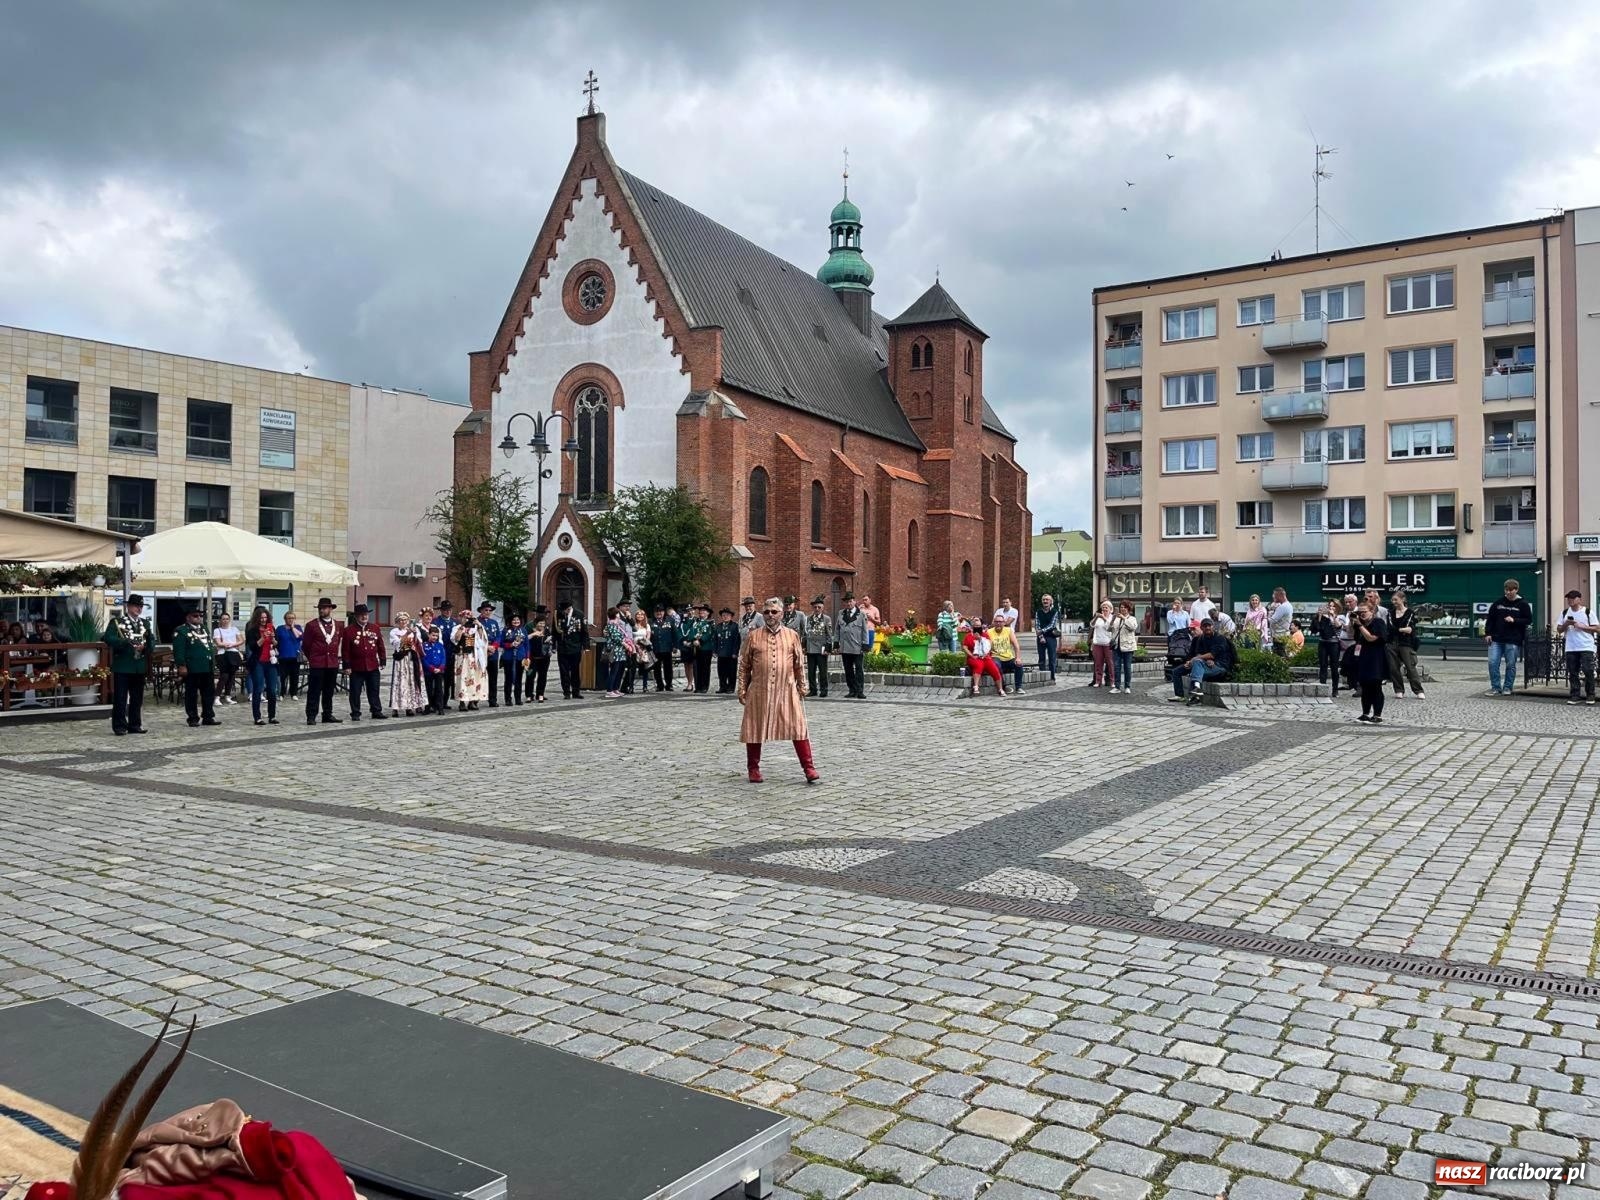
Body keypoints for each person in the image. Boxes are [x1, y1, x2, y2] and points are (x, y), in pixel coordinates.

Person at [737, 597, 820, 783]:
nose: (770, 615)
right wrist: (742, 688)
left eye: (774, 612)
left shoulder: (792, 635)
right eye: (766, 612)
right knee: (754, 727)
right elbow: (744, 665)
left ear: (781, 613)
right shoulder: (753, 635)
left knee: (798, 727)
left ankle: (809, 768)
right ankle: (753, 768)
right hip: (760, 690)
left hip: (786, 689)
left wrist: (802, 685)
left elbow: (799, 664)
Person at [103, 594, 152, 736]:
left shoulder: (145, 623)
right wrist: (124, 642)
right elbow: (108, 638)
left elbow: (151, 639)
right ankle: (119, 726)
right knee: (120, 698)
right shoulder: (117, 622)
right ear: (128, 606)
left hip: (138, 666)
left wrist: (147, 647)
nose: (139, 609)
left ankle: (135, 724)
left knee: (137, 698)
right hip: (123, 665)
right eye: (136, 606)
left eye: (141, 606)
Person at [171, 605, 219, 728]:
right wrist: (181, 665)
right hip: (192, 667)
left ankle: (208, 716)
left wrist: (212, 663)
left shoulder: (203, 629)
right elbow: (179, 650)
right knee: (191, 694)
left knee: (208, 693)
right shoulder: (181, 631)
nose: (199, 618)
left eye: (200, 615)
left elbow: (209, 646)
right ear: (188, 617)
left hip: (206, 667)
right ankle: (192, 717)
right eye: (195, 615)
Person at [1171, 616, 1235, 704]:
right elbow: (1198, 654)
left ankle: (1196, 692)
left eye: (1209, 625)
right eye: (1205, 626)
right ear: (1202, 628)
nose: (1207, 628)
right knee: (1177, 671)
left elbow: (1212, 655)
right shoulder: (1200, 639)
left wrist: (1196, 659)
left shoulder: (1220, 638)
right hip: (1203, 664)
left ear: (1213, 626)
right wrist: (1190, 662)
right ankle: (1182, 695)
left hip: (1219, 666)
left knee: (1197, 665)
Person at [1484, 578, 1532, 695]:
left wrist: (1514, 620)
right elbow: (1490, 619)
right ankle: (1496, 687)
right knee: (1493, 663)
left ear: (1516, 590)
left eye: (1511, 590)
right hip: (1496, 638)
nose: (1508, 592)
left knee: (1510, 664)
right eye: (1506, 590)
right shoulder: (1498, 603)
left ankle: (1507, 687)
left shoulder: (1523, 604)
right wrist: (1488, 633)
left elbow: (1528, 620)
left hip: (1513, 639)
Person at [341, 603, 388, 720]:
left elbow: (380, 645)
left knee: (374, 689)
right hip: (356, 666)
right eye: (361, 615)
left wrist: (382, 660)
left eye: (366, 614)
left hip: (372, 665)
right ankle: (355, 713)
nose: (364, 617)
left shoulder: (375, 628)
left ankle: (376, 710)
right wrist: (346, 665)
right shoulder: (349, 630)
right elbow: (345, 650)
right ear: (356, 616)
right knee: (355, 691)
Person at [302, 597, 344, 724]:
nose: (322, 610)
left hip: (332, 662)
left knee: (329, 690)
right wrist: (313, 657)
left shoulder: (338, 625)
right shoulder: (311, 625)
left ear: (330, 609)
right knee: (314, 690)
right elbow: (306, 645)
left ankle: (327, 714)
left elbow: (338, 642)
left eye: (325, 608)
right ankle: (311, 715)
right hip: (317, 663)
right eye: (320, 608)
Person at [1352, 601, 1390, 723]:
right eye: (1360, 612)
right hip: (1363, 657)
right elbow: (1354, 637)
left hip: (1376, 658)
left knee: (1375, 686)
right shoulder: (1360, 623)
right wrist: (1352, 621)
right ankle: (1365, 713)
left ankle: (1377, 715)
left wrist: (1360, 626)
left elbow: (1371, 638)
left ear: (1372, 611)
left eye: (1364, 612)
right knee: (1365, 686)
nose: (1362, 614)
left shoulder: (1378, 622)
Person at [1560, 588, 1598, 705]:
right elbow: (1559, 629)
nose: (1570, 600)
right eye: (1568, 598)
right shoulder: (1565, 613)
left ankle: (1590, 694)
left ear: (1579, 599)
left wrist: (1582, 627)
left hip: (1586, 645)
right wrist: (1567, 623)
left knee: (1588, 670)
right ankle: (1575, 695)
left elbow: (1597, 628)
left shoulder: (1588, 612)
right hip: (1571, 646)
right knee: (1573, 671)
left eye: (1572, 598)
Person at [244, 606, 280, 726]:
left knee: (272, 690)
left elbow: (276, 644)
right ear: (257, 618)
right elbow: (253, 647)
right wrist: (263, 637)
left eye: (265, 617)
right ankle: (257, 717)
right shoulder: (252, 630)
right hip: (258, 661)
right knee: (258, 689)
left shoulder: (271, 627)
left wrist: (273, 639)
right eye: (261, 618)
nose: (264, 620)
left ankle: (272, 716)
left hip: (270, 661)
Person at [1387, 592, 1425, 699]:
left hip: (1406, 643)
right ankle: (1399, 690)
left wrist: (1404, 630)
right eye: (1392, 600)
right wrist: (1402, 629)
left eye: (1396, 600)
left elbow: (1410, 627)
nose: (1394, 602)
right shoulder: (1390, 613)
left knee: (1410, 667)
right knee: (1394, 668)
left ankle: (1418, 690)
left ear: (1402, 599)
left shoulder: (1410, 613)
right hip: (1391, 642)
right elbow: (1390, 628)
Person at [389, 611, 428, 715]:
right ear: (397, 622)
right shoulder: (394, 631)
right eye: (401, 620)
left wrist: (415, 634)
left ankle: (410, 706)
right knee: (400, 681)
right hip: (401, 658)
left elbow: (418, 643)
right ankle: (396, 707)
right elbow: (397, 643)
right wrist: (407, 633)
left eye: (405, 620)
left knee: (411, 681)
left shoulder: (413, 630)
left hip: (411, 658)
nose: (403, 622)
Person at [452, 609, 490, 710]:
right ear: (461, 618)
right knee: (463, 678)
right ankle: (462, 701)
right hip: (463, 656)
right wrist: (462, 627)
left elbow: (483, 639)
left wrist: (479, 625)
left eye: (469, 617)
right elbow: (455, 639)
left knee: (475, 678)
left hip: (475, 656)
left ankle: (473, 700)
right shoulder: (457, 627)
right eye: (465, 617)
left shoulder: (476, 627)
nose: (467, 619)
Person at [836, 593, 870, 699]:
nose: (848, 604)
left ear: (855, 602)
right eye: (846, 602)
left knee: (859, 669)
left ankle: (860, 690)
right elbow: (837, 629)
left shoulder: (861, 614)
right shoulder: (841, 613)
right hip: (845, 647)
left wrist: (865, 644)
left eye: (850, 601)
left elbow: (865, 630)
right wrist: (836, 642)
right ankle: (852, 689)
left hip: (857, 646)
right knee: (848, 669)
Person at [962, 620, 1006, 698]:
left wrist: (980, 639)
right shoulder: (968, 636)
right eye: (976, 626)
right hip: (974, 657)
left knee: (994, 668)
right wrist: (971, 655)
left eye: (979, 626)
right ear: (972, 627)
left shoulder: (985, 635)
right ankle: (976, 687)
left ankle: (1000, 689)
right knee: (979, 665)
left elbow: (989, 646)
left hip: (985, 657)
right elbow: (965, 647)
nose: (977, 627)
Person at [554, 601, 588, 699]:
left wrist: (586, 646)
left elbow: (584, 631)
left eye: (566, 610)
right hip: (562, 647)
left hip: (575, 647)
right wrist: (554, 645)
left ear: (569, 608)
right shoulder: (559, 614)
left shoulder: (579, 614)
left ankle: (576, 691)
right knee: (563, 671)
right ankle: (566, 692)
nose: (565, 612)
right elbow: (555, 630)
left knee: (575, 670)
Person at [802, 597, 833, 699]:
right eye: (815, 607)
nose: (817, 609)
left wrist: (828, 648)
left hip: (821, 648)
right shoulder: (808, 619)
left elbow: (829, 634)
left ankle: (824, 689)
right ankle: (813, 689)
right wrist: (804, 646)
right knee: (811, 671)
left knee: (822, 670)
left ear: (822, 608)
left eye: (819, 607)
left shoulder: (826, 619)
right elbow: (805, 634)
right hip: (811, 648)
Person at [211, 611, 244, 704]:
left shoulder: (234, 629)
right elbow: (217, 642)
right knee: (224, 675)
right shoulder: (217, 630)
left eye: (227, 619)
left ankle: (227, 695)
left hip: (233, 653)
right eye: (223, 619)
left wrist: (233, 644)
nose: (225, 621)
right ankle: (217, 696)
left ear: (229, 620)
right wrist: (225, 645)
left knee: (232, 675)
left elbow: (241, 640)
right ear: (220, 620)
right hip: (223, 654)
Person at [1313, 599, 1344, 698]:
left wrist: (1333, 616)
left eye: (1333, 606)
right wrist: (1320, 616)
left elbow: (1338, 626)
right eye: (1329, 606)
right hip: (1323, 642)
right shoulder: (1323, 617)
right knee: (1323, 665)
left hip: (1334, 643)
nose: (1331, 608)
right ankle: (1322, 687)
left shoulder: (1340, 617)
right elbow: (1316, 629)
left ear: (1337, 607)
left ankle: (1335, 690)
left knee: (1334, 667)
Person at [601, 606, 632, 697]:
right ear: (615, 614)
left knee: (619, 671)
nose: (619, 615)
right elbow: (616, 637)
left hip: (620, 651)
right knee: (614, 671)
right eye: (618, 613)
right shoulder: (611, 624)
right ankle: (609, 690)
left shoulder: (617, 624)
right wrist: (625, 644)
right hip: (615, 651)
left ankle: (615, 688)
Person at [432, 601, 459, 705]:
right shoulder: (436, 622)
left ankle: (445, 701)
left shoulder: (455, 622)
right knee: (438, 679)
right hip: (440, 654)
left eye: (449, 610)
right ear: (441, 610)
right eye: (445, 610)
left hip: (451, 654)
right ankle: (435, 701)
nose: (448, 612)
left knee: (448, 679)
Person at [990, 613, 1024, 695]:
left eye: (1000, 622)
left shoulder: (1008, 630)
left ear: (1004, 623)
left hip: (1008, 657)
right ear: (994, 623)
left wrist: (1018, 658)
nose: (998, 623)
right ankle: (1004, 687)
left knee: (1019, 665)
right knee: (996, 665)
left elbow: (1016, 645)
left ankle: (1018, 687)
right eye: (996, 622)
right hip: (996, 656)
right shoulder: (989, 632)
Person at [1110, 600, 1139, 693]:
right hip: (1117, 646)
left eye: (1124, 607)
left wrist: (1124, 618)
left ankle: (1127, 686)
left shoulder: (1132, 618)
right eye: (1121, 607)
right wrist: (1112, 620)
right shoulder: (1116, 618)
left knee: (1127, 667)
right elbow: (1108, 629)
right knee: (1117, 666)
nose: (1122, 609)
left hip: (1128, 646)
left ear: (1128, 609)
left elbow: (1133, 627)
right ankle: (1117, 687)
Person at [477, 602, 502, 707]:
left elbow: (498, 636)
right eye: (485, 610)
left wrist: (494, 647)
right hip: (481, 652)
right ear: (481, 611)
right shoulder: (477, 622)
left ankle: (492, 699)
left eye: (489, 610)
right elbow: (476, 637)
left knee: (493, 678)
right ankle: (475, 700)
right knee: (479, 676)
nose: (487, 612)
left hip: (493, 653)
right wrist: (486, 647)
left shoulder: (494, 622)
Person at [714, 606, 743, 694]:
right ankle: (722, 686)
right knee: (721, 671)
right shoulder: (718, 626)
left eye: (727, 615)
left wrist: (735, 652)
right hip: (721, 653)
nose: (725, 616)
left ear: (731, 616)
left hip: (731, 653)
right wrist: (715, 651)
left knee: (731, 671)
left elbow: (736, 640)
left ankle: (731, 687)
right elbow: (715, 639)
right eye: (723, 615)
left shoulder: (734, 626)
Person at [649, 606, 679, 691]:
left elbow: (675, 634)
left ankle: (669, 685)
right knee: (657, 668)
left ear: (664, 612)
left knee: (668, 668)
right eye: (657, 611)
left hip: (667, 648)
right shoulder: (650, 622)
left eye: (661, 611)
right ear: (654, 613)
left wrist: (675, 646)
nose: (659, 613)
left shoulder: (670, 621)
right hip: (656, 649)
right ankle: (659, 685)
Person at [276, 611, 304, 699]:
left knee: (294, 676)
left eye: (292, 618)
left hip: (295, 655)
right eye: (289, 618)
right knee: (282, 676)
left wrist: (292, 628)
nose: (291, 620)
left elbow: (300, 637)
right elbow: (276, 641)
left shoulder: (298, 627)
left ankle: (293, 693)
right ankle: (281, 693)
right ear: (285, 619)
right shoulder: (280, 628)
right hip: (283, 656)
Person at [422, 625, 449, 714]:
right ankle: (428, 707)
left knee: (439, 689)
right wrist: (431, 668)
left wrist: (440, 668)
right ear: (429, 635)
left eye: (436, 636)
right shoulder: (424, 645)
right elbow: (424, 659)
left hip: (439, 671)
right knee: (428, 689)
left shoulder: (440, 645)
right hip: (429, 671)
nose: (434, 637)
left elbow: (443, 658)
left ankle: (440, 707)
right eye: (433, 635)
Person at [525, 613, 552, 703]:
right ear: (536, 623)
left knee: (542, 676)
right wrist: (534, 634)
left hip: (544, 657)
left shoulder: (547, 630)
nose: (542, 625)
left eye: (543, 623)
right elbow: (525, 639)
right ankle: (529, 695)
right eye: (540, 623)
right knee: (530, 676)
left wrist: (550, 642)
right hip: (532, 657)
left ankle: (540, 694)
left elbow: (550, 641)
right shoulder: (530, 630)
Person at [1033, 594, 1060, 679]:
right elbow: (1037, 625)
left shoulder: (1055, 611)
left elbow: (1052, 625)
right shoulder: (1038, 612)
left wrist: (1041, 631)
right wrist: (1041, 636)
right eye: (1044, 599)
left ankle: (1052, 677)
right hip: (1041, 638)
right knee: (1041, 658)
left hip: (1051, 637)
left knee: (1052, 659)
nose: (1045, 601)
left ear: (1051, 601)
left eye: (1047, 600)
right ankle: (1042, 678)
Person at [1089, 600, 1115, 688]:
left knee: (1110, 663)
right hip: (1098, 643)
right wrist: (1096, 617)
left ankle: (1112, 681)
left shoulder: (1112, 618)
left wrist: (1104, 618)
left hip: (1107, 643)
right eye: (1103, 608)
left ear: (1110, 609)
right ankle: (1098, 681)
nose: (1104, 609)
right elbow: (1091, 625)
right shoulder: (1098, 618)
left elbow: (1110, 628)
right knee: (1098, 663)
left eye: (1106, 608)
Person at [631, 608, 655, 695]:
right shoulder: (633, 625)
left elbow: (648, 637)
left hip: (644, 648)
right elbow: (630, 636)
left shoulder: (647, 625)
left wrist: (643, 645)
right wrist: (636, 646)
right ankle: (631, 686)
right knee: (633, 668)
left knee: (645, 668)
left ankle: (645, 686)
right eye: (638, 614)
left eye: (642, 614)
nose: (640, 616)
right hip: (634, 648)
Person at [1268, 587, 1297, 657]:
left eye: (1274, 595)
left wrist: (1267, 615)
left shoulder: (1283, 607)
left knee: (1279, 657)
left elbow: (1272, 621)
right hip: (1283, 635)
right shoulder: (1288, 605)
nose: (1273, 597)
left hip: (1279, 636)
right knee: (1281, 655)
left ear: (1279, 595)